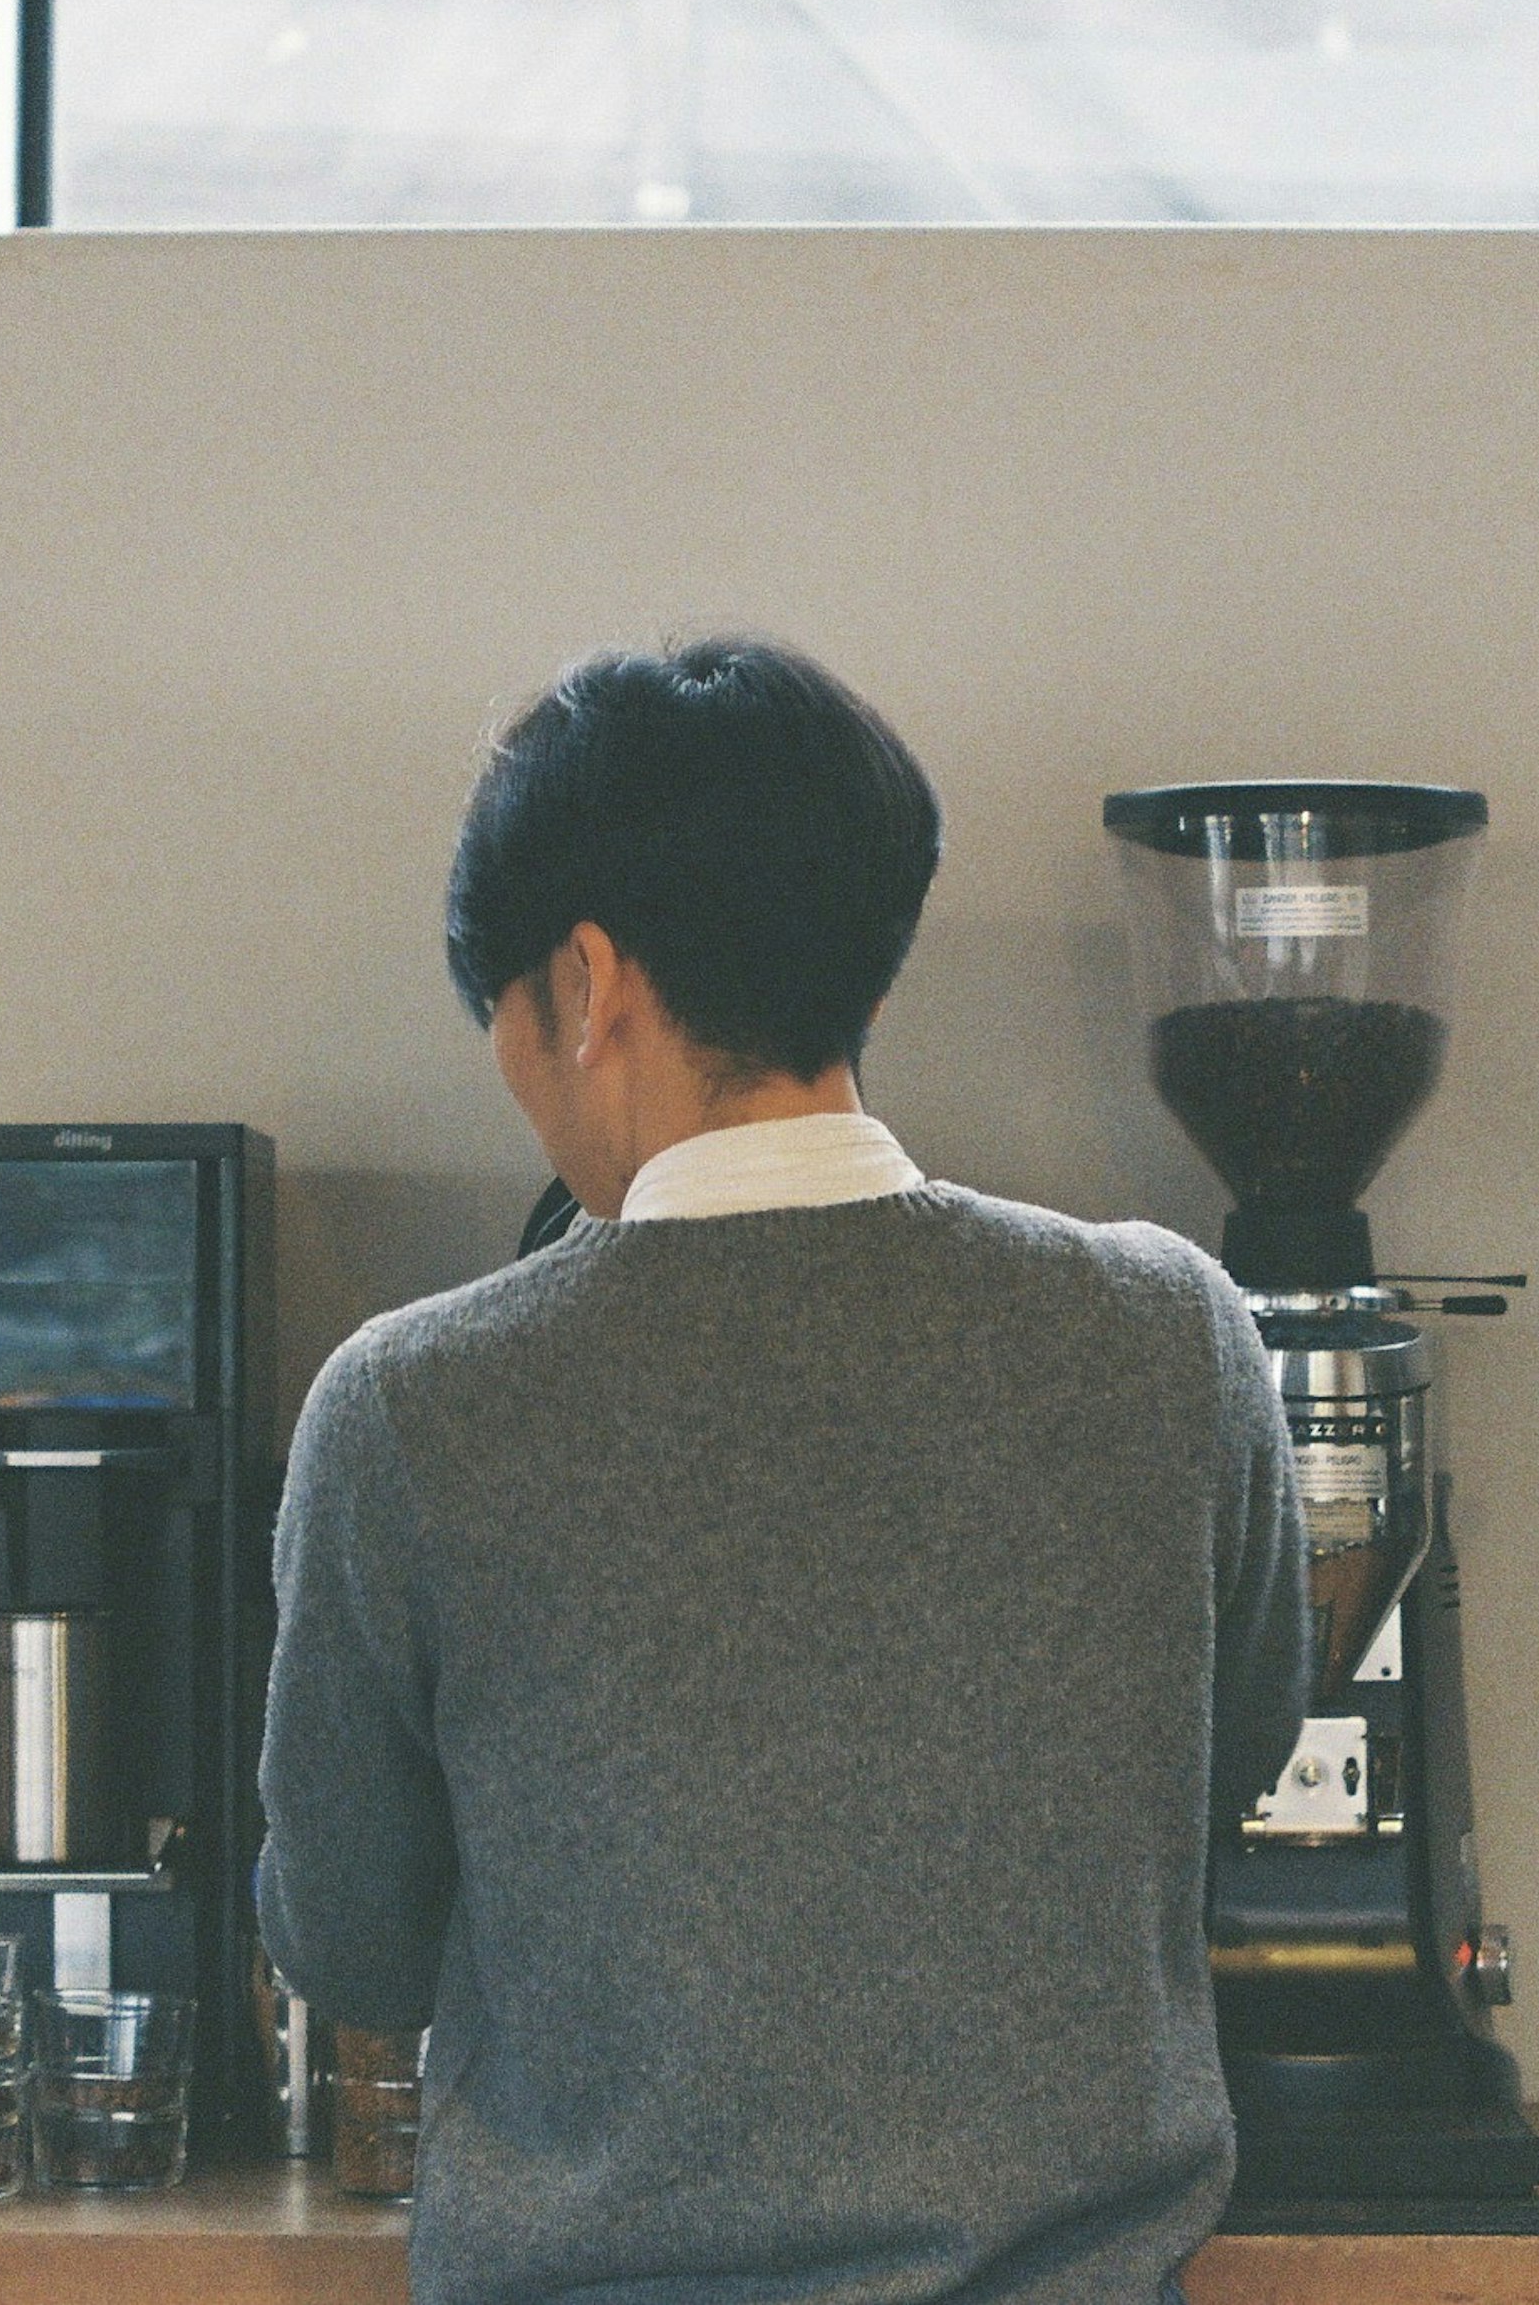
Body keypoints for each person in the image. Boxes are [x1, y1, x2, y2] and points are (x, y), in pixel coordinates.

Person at [257, 636, 1310, 2305]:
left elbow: (353, 1941)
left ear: (588, 982)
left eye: (506, 1018)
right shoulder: (1169, 1332)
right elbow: (1221, 1757)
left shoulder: (410, 1408)